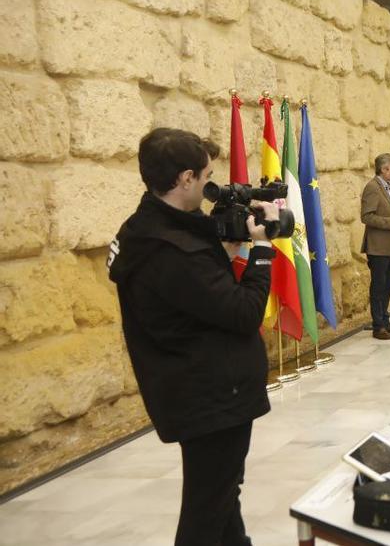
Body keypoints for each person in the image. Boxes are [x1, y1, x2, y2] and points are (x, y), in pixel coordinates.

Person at [108, 128, 279, 546]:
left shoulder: (144, 227)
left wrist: (231, 239)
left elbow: (198, 288)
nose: (209, 184)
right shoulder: (172, 252)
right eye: (205, 175)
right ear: (185, 178)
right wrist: (260, 251)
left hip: (196, 387)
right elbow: (242, 312)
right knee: (207, 510)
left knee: (221, 496)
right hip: (211, 396)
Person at [361, 153, 390, 340]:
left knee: (388, 285)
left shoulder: (387, 187)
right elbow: (366, 216)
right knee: (378, 286)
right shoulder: (372, 187)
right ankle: (378, 326)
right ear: (384, 169)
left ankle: (385, 320)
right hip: (378, 247)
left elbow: (387, 212)